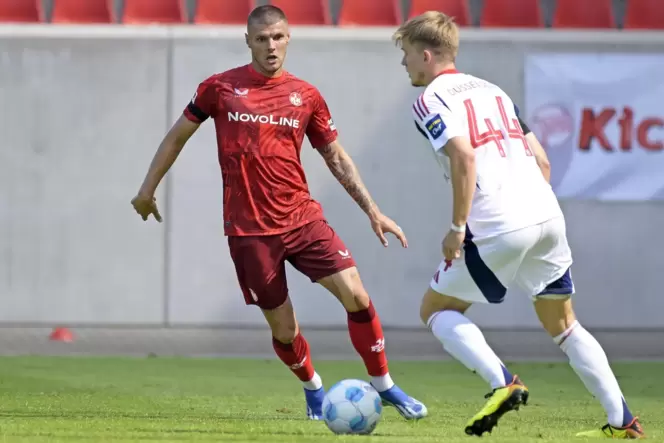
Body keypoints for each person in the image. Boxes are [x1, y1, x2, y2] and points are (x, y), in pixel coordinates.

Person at [130, 5, 427, 421]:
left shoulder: (306, 95)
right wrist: (147, 190)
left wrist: (373, 211)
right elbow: (177, 136)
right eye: (263, 38)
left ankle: (386, 386)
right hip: (250, 231)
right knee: (285, 331)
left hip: (303, 221)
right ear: (248, 41)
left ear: (289, 39)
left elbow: (336, 157)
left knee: (357, 296)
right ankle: (313, 389)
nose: (271, 46)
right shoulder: (219, 89)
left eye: (279, 37)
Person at [392, 10, 644, 439]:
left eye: (407, 55)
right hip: (546, 215)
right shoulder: (494, 91)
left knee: (435, 309)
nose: (405, 64)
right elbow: (542, 160)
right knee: (565, 325)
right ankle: (624, 422)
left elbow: (464, 157)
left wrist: (457, 227)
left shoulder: (430, 98)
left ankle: (503, 382)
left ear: (427, 55)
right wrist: (528, 210)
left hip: (497, 221)